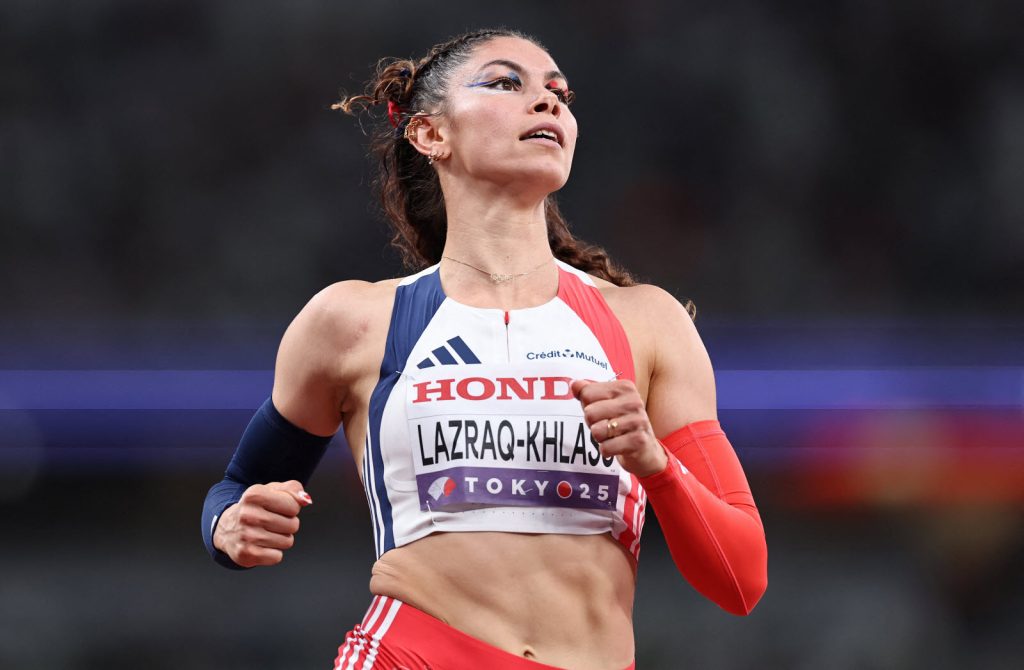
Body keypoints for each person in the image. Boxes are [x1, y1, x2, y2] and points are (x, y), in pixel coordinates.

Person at [201, 28, 767, 670]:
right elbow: (238, 485)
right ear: (430, 133)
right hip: (411, 655)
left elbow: (741, 579)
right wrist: (229, 528)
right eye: (506, 83)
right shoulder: (354, 320)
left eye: (561, 93)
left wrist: (657, 463)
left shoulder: (647, 323)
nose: (548, 103)